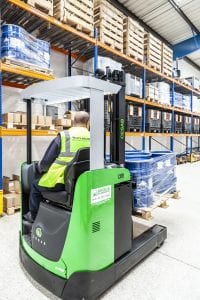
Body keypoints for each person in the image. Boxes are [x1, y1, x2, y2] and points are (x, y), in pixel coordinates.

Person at [24, 111, 90, 222]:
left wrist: (39, 168)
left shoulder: (65, 136)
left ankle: (34, 218)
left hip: (61, 182)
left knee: (35, 186)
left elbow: (46, 162)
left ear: (73, 122)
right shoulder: (93, 138)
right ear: (88, 123)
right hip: (83, 181)